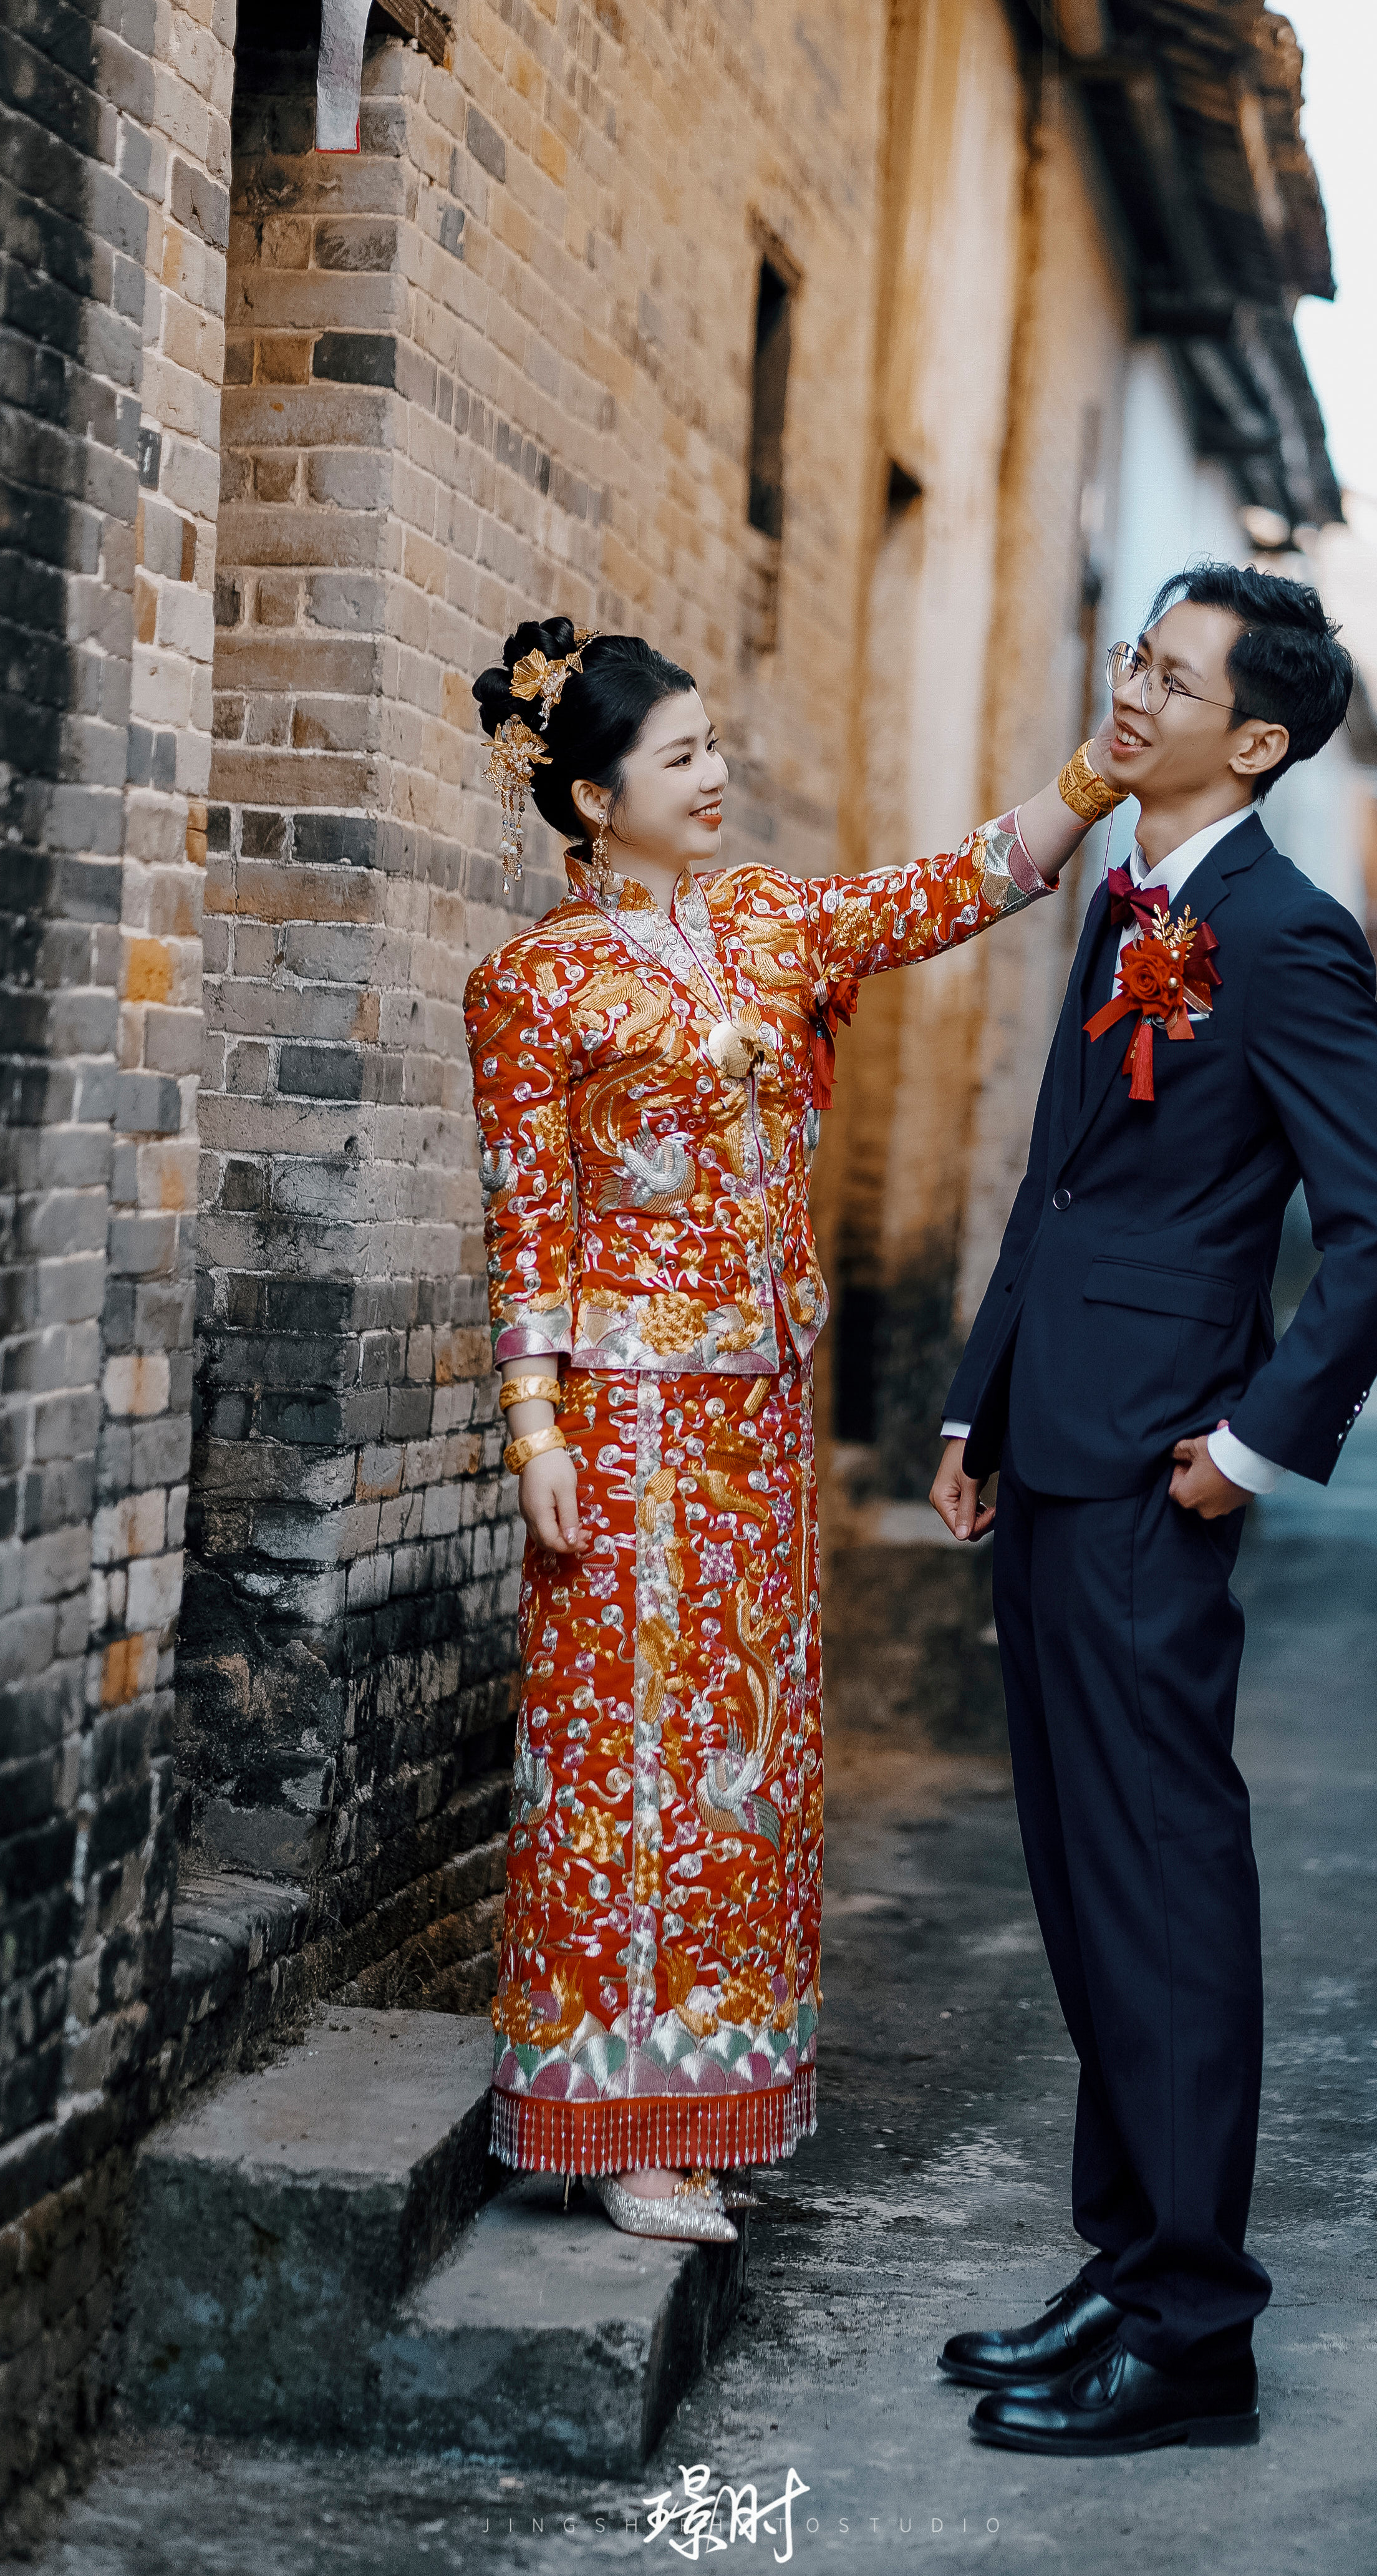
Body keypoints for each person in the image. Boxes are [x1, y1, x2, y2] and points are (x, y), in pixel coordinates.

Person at [463, 617, 1111, 2242]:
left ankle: (711, 2087)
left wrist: (1094, 780)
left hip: (756, 1418)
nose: (716, 776)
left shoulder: (766, 922)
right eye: (681, 756)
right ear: (594, 798)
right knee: (619, 1757)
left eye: (713, 746)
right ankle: (619, 2124)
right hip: (622, 1422)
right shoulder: (534, 984)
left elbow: (943, 892)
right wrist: (535, 1431)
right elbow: (527, 1218)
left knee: (742, 1755)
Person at [930, 564, 1377, 2449]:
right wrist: (977, 1399)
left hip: (1162, 1466)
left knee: (1163, 1876)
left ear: (1258, 738)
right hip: (1055, 1436)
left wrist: (1252, 1445)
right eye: (1133, 658)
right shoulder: (1129, 896)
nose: (1131, 692)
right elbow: (1062, 1178)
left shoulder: (1285, 934)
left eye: (1173, 675)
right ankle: (1130, 2261)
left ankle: (1198, 2335)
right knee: (1084, 1874)